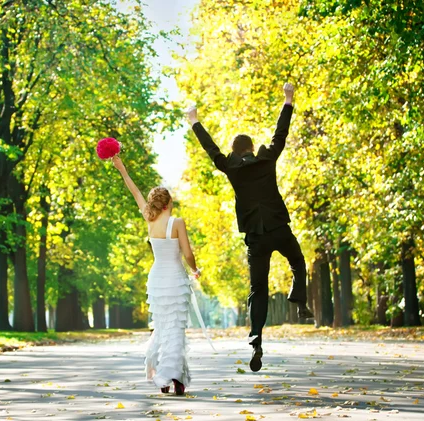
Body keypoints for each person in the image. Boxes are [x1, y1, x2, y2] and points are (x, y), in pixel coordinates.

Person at [186, 82, 313, 373]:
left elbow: (210, 148)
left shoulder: (230, 167)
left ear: (234, 150)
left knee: (258, 289)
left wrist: (194, 121)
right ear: (252, 148)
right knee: (297, 260)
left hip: (255, 237)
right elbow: (281, 133)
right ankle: (299, 298)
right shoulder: (266, 160)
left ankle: (256, 338)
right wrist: (288, 99)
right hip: (279, 227)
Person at [111, 155, 200, 395]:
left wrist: (122, 168)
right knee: (175, 328)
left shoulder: (149, 219)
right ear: (167, 203)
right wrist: (195, 270)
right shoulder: (177, 222)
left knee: (162, 327)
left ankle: (172, 375)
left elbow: (134, 192)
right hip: (175, 280)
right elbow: (188, 253)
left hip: (157, 281)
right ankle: (172, 376)